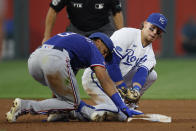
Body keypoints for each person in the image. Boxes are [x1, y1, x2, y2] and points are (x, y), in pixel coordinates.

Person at [6, 32, 142, 123]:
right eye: (105, 51)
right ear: (98, 41)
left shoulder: (76, 44)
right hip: (55, 59)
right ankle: (25, 106)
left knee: (67, 99)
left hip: (34, 60)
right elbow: (104, 79)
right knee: (73, 103)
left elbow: (60, 85)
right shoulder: (92, 46)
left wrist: (54, 108)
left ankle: (60, 113)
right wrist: (121, 106)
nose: (104, 56)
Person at [82, 13, 168, 110]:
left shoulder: (150, 56)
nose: (154, 32)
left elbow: (142, 74)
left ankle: (129, 105)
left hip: (115, 81)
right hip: (97, 77)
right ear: (145, 24)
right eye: (152, 28)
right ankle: (83, 111)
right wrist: (122, 88)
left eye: (158, 32)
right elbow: (111, 63)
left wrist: (135, 90)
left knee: (152, 75)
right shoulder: (126, 34)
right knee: (118, 111)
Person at [42, 0, 124, 44]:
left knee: (111, 55)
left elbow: (117, 12)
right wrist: (46, 36)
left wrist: (121, 36)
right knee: (66, 59)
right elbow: (53, 10)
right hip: (76, 28)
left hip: (103, 29)